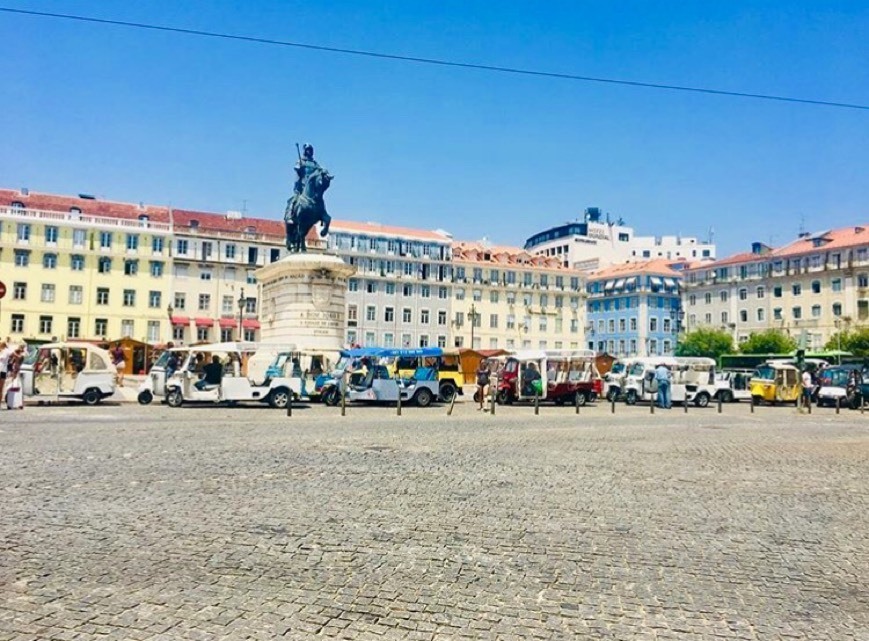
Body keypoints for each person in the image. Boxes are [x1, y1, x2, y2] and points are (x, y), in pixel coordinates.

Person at [0, 340, 11, 409]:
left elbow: (11, 353)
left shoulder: (6, 351)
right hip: (2, 370)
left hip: (2, 370)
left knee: (0, 388)